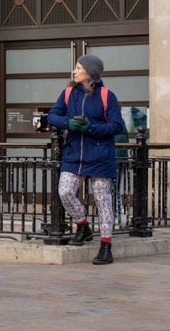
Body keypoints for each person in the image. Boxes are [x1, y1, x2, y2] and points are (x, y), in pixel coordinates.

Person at [47, 55, 124, 265]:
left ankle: (106, 245)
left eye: (78, 68)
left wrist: (91, 127)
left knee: (103, 200)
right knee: (65, 191)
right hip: (73, 156)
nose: (74, 71)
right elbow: (52, 116)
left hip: (100, 156)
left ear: (89, 73)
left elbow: (117, 126)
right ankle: (83, 225)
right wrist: (68, 123)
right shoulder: (69, 93)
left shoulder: (108, 96)